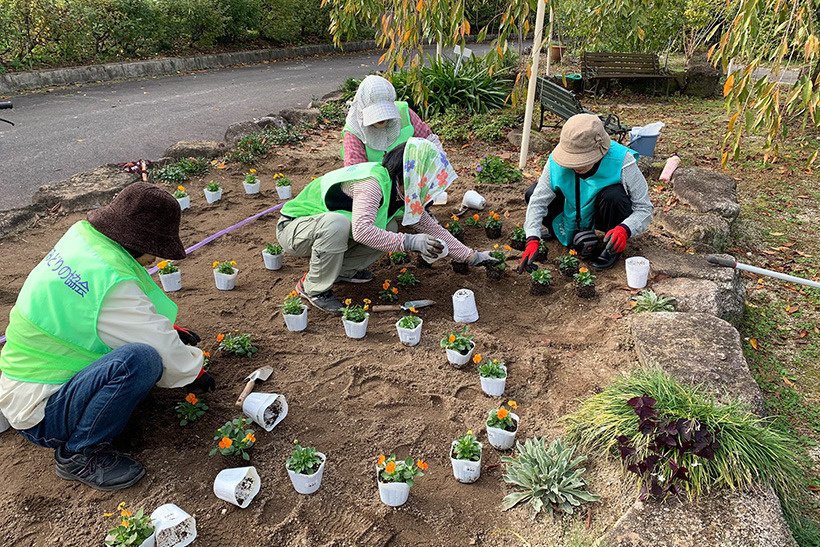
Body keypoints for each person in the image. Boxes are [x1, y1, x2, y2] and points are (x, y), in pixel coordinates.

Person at [0, 183, 215, 491]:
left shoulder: (84, 239)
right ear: (139, 242)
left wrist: (171, 331)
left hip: (25, 379)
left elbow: (92, 315)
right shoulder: (111, 282)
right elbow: (157, 346)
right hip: (41, 413)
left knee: (142, 356)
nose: (156, 259)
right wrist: (194, 371)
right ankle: (79, 453)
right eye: (155, 250)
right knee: (141, 361)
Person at [278, 137, 498, 311]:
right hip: (295, 229)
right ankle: (313, 288)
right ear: (411, 174)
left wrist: (472, 256)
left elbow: (432, 227)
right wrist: (410, 241)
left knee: (389, 227)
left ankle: (343, 271)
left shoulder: (401, 193)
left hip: (324, 231)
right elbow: (362, 231)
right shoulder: (373, 183)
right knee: (337, 224)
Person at [518, 113, 653, 273]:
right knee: (532, 192)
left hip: (603, 213)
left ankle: (612, 246)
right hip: (571, 207)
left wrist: (625, 229)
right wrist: (532, 237)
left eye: (582, 160)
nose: (576, 166)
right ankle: (559, 232)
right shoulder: (555, 159)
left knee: (614, 195)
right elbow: (538, 201)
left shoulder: (623, 161)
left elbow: (644, 208)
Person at [342, 75, 443, 165]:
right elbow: (355, 171)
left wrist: (439, 162)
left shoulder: (404, 113)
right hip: (375, 181)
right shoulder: (354, 131)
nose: (381, 118)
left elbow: (430, 141)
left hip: (409, 175)